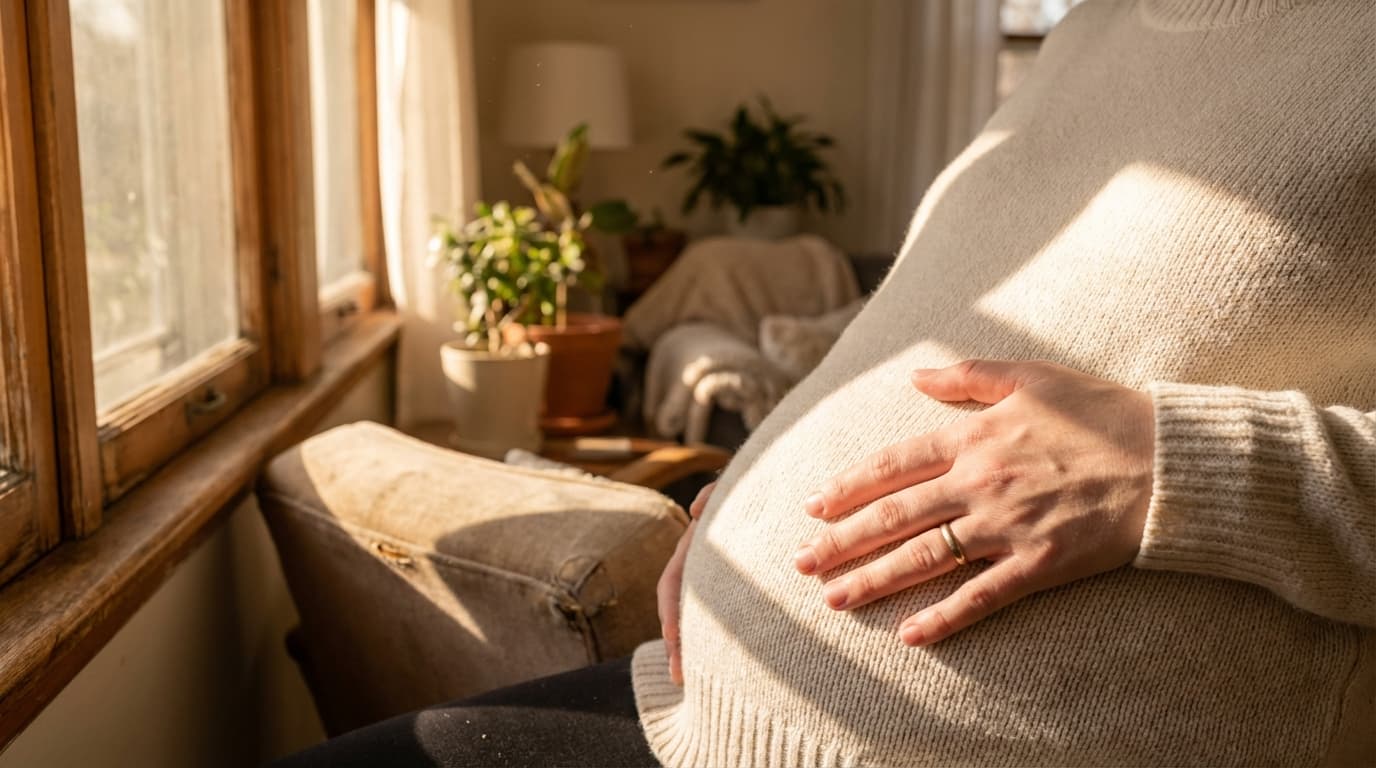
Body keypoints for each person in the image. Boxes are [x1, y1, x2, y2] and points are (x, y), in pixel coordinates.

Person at [278, 0, 1375, 765]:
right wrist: (758, 478)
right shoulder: (1094, 29)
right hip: (708, 714)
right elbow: (932, 319)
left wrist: (1165, 464)